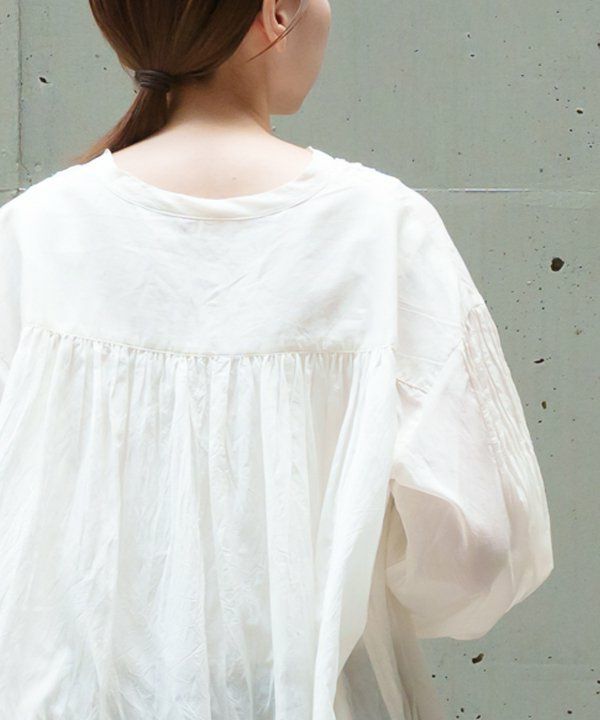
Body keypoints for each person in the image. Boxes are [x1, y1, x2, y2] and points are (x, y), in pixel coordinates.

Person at [0, 1, 554, 718]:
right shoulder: (381, 230)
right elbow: (477, 548)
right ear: (275, 13)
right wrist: (342, 568)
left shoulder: (32, 234)